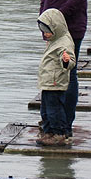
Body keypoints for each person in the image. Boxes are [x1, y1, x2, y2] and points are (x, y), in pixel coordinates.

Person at [34, 0, 89, 138]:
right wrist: (43, 19)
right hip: (51, 28)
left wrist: (58, 18)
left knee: (67, 72)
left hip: (70, 27)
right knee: (51, 71)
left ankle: (63, 125)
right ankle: (51, 120)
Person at [36, 8, 76, 147]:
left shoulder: (64, 42)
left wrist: (66, 61)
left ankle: (59, 134)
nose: (45, 34)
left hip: (55, 82)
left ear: (56, 28)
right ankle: (48, 131)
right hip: (47, 82)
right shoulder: (54, 40)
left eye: (47, 30)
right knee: (45, 109)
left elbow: (71, 62)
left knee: (55, 109)